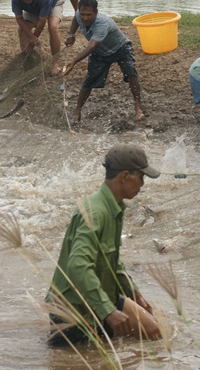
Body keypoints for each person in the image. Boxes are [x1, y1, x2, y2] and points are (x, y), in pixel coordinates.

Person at [45, 143, 162, 346]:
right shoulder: (96, 212)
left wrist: (133, 292)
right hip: (74, 310)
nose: (142, 184)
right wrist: (107, 311)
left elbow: (112, 263)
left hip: (100, 295)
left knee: (154, 331)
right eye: (141, 177)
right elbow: (78, 265)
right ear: (125, 176)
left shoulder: (114, 207)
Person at [63, 0, 144, 123]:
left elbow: (91, 45)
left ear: (96, 12)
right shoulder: (79, 14)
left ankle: (138, 106)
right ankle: (77, 111)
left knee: (131, 73)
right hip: (100, 52)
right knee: (89, 80)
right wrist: (71, 33)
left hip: (120, 48)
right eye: (83, 14)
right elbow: (76, 18)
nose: (85, 18)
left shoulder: (102, 23)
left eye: (89, 15)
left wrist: (74, 61)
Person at [11, 0, 66, 75]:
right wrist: (30, 37)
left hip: (54, 2)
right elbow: (19, 18)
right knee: (22, 30)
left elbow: (42, 21)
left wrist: (33, 39)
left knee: (53, 27)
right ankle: (28, 63)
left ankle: (55, 64)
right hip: (33, 9)